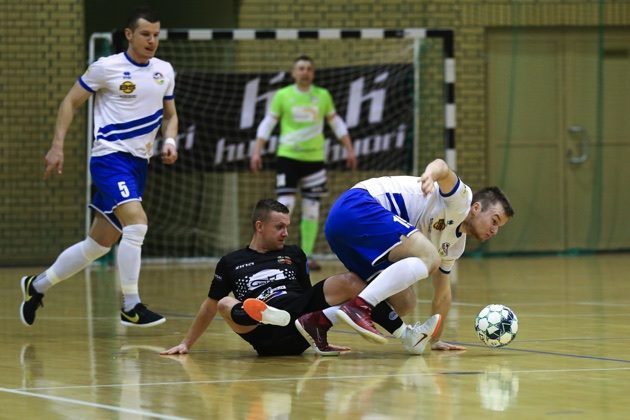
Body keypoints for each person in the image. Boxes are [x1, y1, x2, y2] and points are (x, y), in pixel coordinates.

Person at [19, 7, 178, 327]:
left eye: (156, 35)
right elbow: (70, 102)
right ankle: (131, 305)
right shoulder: (106, 67)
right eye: (145, 34)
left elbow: (170, 115)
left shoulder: (164, 70)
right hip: (109, 158)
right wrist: (57, 145)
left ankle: (36, 287)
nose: (152, 41)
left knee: (97, 244)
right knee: (137, 224)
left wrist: (170, 141)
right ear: (129, 35)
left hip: (138, 164)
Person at [323, 158, 515, 351]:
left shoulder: (455, 245)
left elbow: (443, 294)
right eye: (494, 221)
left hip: (344, 233)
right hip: (357, 206)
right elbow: (443, 167)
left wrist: (435, 340)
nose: (494, 230)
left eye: (499, 227)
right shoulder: (461, 200)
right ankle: (360, 306)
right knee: (431, 257)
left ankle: (318, 321)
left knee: (404, 303)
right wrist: (430, 175)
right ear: (476, 208)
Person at [161, 199, 366, 357]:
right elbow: (209, 305)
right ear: (260, 226)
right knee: (223, 303)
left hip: (298, 328)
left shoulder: (294, 253)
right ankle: (264, 314)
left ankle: (397, 330)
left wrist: (320, 340)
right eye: (279, 227)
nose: (285, 233)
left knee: (349, 281)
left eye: (287, 227)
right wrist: (186, 343)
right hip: (262, 334)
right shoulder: (231, 262)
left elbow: (308, 295)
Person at [250, 55, 357, 271]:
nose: (305, 71)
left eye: (308, 68)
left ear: (313, 73)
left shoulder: (322, 96)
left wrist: (349, 148)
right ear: (293, 73)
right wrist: (256, 151)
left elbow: (336, 123)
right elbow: (268, 123)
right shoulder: (283, 95)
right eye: (300, 68)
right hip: (288, 158)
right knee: (284, 206)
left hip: (314, 160)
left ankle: (305, 256)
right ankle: (277, 253)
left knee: (312, 209)